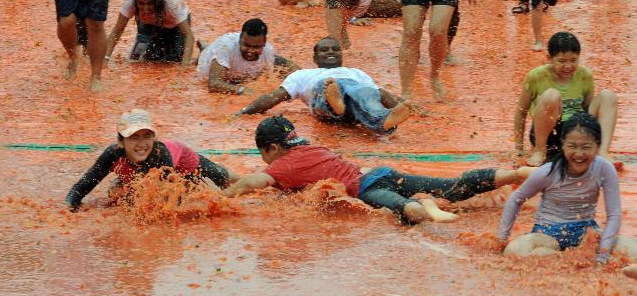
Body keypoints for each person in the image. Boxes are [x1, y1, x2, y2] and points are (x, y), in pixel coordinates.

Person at [216, 116, 532, 224]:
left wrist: (223, 197)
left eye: (264, 156)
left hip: (367, 188)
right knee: (453, 187)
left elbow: (256, 181)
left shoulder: (283, 165)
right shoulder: (309, 146)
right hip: (380, 171)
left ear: (271, 149)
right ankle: (518, 174)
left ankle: (422, 204)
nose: (266, 163)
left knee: (407, 213)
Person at [500, 113, 637, 264]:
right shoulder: (548, 172)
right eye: (572, 146)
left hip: (586, 234)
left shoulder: (604, 169)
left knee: (632, 251)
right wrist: (502, 239)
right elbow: (516, 199)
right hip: (547, 235)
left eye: (586, 147)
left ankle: (570, 257)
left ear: (598, 147)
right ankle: (567, 258)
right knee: (514, 251)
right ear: (563, 145)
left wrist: (602, 255)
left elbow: (614, 215)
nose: (579, 154)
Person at [65, 109, 233, 211]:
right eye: (133, 137)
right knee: (117, 194)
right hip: (144, 174)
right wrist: (69, 210)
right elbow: (81, 188)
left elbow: (172, 200)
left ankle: (240, 176)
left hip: (185, 162)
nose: (141, 144)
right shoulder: (112, 154)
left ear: (154, 138)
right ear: (121, 142)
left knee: (223, 179)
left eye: (147, 136)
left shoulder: (161, 155)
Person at [237, 36, 412, 133]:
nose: (331, 52)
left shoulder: (356, 72)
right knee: (327, 86)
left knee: (367, 92)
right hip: (323, 96)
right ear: (315, 58)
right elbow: (274, 97)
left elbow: (381, 94)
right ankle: (334, 102)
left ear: (342, 55)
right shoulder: (303, 74)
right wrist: (245, 111)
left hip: (353, 106)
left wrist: (407, 107)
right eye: (324, 50)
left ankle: (384, 120)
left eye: (335, 49)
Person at [514, 32, 619, 168]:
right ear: (549, 59)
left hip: (577, 131)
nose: (568, 66)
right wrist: (518, 148)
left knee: (608, 95)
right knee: (551, 95)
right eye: (562, 61)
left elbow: (589, 109)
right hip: (550, 134)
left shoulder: (584, 75)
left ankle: (603, 152)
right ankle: (540, 151)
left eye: (573, 60)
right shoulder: (536, 76)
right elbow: (521, 112)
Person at [105, 0, 194, 65]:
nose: (145, 9)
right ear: (136, 1)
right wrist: (105, 58)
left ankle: (202, 55)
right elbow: (117, 30)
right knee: (148, 58)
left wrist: (184, 68)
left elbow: (189, 36)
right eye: (141, 3)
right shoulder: (131, 2)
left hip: (176, 26)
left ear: (157, 0)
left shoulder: (173, 4)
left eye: (150, 3)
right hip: (149, 25)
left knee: (175, 60)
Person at [197, 18, 296, 94]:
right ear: (239, 39)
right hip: (207, 65)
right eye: (247, 45)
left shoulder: (268, 50)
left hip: (236, 73)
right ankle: (205, 49)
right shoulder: (225, 46)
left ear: (264, 43)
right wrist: (243, 90)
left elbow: (264, 81)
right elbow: (214, 84)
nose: (250, 51)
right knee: (209, 56)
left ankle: (206, 47)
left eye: (256, 47)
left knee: (279, 64)